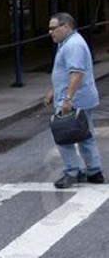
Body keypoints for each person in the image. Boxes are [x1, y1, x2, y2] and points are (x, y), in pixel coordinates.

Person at [43, 12, 103, 188]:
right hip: (80, 98)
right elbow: (66, 72)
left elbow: (76, 73)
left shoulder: (73, 45)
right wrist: (53, 90)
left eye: (53, 28)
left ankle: (72, 172)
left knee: (64, 136)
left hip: (74, 100)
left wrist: (67, 99)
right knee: (86, 136)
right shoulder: (69, 43)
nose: (50, 32)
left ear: (66, 26)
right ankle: (94, 172)